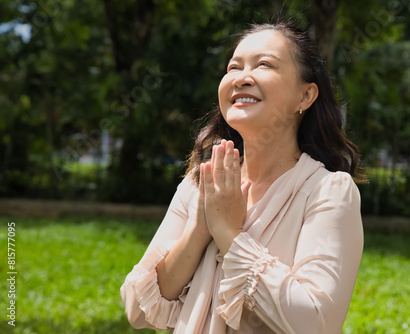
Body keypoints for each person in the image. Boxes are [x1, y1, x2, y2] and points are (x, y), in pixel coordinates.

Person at [121, 21, 366, 334]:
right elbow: (138, 309)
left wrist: (228, 232)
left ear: (305, 96)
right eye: (233, 67)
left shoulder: (329, 191)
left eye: (264, 64)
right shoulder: (201, 182)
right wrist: (199, 229)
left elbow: (314, 322)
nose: (241, 78)